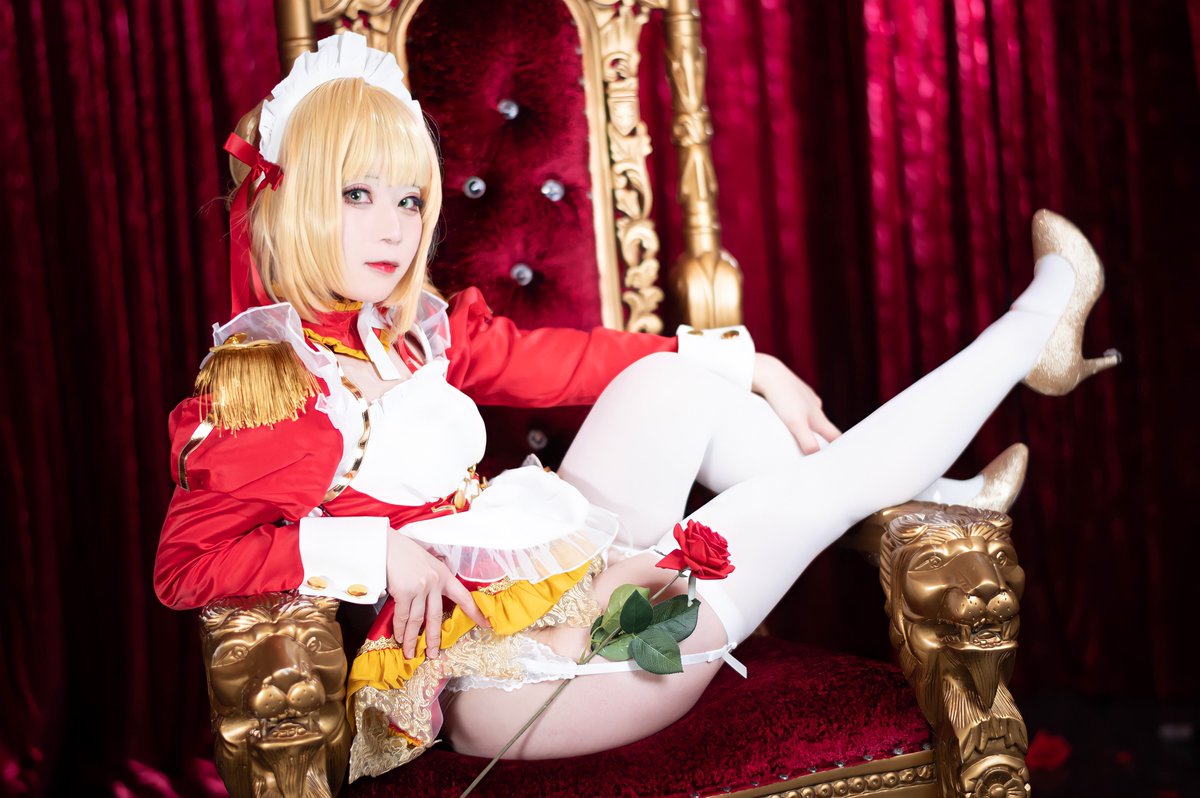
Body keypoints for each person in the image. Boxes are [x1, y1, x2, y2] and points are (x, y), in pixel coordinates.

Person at [154, 33, 1119, 781]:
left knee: (671, 385)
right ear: (288, 204)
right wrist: (375, 552)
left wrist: (746, 362)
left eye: (409, 201)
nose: (393, 228)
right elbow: (186, 564)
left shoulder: (411, 334)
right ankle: (1029, 335)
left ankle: (929, 488)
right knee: (767, 511)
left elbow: (568, 361)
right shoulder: (267, 386)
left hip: (543, 588)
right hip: (499, 686)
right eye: (357, 195)